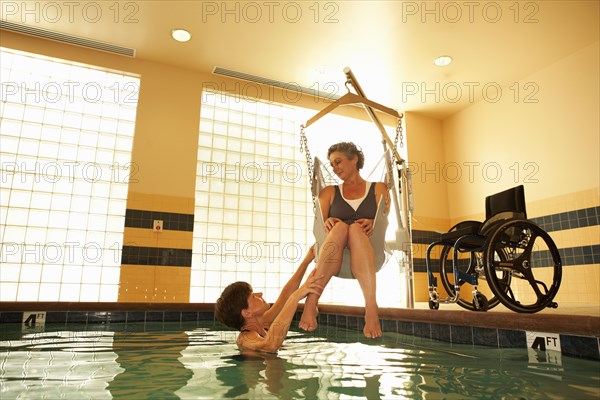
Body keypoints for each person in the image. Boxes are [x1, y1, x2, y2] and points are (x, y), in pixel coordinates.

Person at [299, 142, 390, 339]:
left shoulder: (378, 188)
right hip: (334, 255)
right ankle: (312, 301)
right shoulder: (329, 192)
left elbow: (382, 221)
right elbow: (321, 226)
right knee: (339, 226)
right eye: (331, 164)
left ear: (354, 159)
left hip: (369, 252)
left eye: (338, 161)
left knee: (356, 229)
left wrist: (372, 222)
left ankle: (371, 307)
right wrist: (329, 221)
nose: (335, 168)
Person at [215, 247, 323, 353]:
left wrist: (308, 258)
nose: (260, 294)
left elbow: (285, 297)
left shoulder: (263, 322)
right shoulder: (245, 339)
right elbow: (271, 345)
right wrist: (295, 297)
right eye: (253, 296)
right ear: (247, 313)